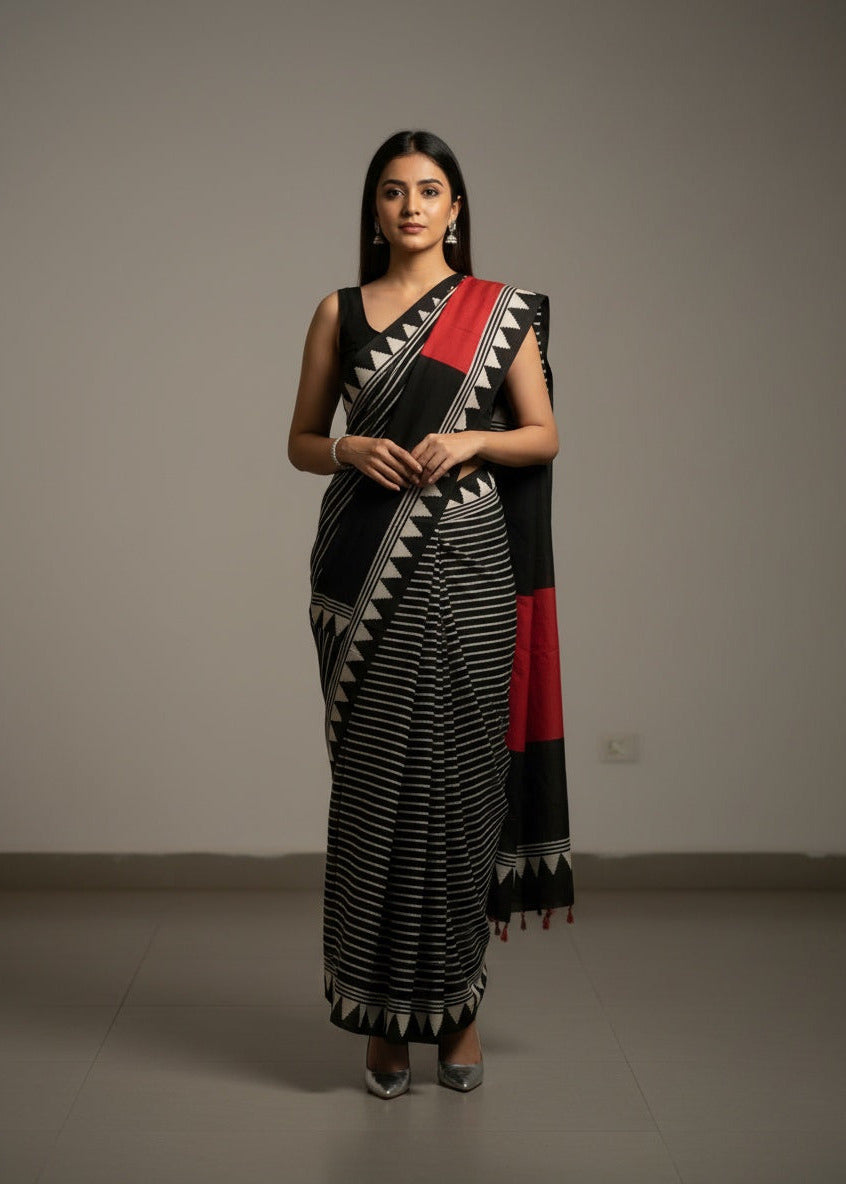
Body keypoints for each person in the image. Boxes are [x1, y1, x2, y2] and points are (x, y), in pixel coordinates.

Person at [288, 130, 573, 1100]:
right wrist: (350, 449)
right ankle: (380, 1026)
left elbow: (544, 434)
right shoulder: (338, 311)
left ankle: (457, 1011)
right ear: (375, 210)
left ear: (456, 208)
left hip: (471, 566)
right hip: (361, 571)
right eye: (393, 191)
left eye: (430, 190)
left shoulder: (499, 311)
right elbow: (300, 439)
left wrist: (473, 442)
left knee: (460, 790)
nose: (411, 206)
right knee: (373, 799)